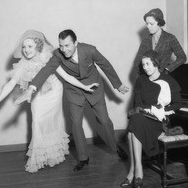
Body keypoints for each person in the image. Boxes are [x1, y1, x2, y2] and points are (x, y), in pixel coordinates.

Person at [0, 30, 98, 173]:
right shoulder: (23, 64)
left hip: (54, 92)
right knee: (37, 122)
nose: (26, 50)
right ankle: (37, 160)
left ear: (38, 46)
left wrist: (84, 86)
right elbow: (11, 83)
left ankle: (53, 155)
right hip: (38, 94)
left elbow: (66, 76)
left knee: (53, 122)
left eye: (30, 46)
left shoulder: (49, 58)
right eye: (24, 47)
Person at [14, 29, 130, 171]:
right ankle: (83, 158)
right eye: (61, 45)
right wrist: (31, 89)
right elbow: (46, 70)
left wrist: (117, 84)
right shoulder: (57, 54)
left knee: (104, 121)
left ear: (75, 42)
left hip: (94, 87)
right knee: (75, 123)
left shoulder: (90, 50)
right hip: (74, 91)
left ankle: (114, 146)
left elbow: (105, 65)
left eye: (67, 45)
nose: (64, 49)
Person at [120, 49, 182, 188]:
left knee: (133, 128)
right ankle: (138, 171)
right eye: (143, 65)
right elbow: (138, 104)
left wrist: (161, 110)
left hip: (160, 120)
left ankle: (133, 171)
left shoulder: (168, 80)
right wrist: (150, 109)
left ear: (156, 64)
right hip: (144, 117)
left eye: (148, 64)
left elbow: (178, 103)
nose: (145, 67)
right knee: (136, 121)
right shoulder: (141, 80)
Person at [133, 8, 187, 76]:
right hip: (147, 78)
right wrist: (144, 74)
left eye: (151, 24)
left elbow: (182, 57)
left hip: (163, 77)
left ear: (159, 23)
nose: (148, 27)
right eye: (147, 23)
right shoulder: (145, 40)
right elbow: (137, 62)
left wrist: (167, 69)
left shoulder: (170, 38)